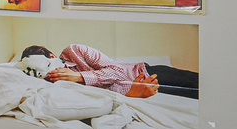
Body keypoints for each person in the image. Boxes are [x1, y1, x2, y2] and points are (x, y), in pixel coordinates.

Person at [20, 44, 198, 100]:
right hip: (142, 96)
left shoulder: (75, 52)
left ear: (51, 56)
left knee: (204, 85)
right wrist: (129, 94)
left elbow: (117, 71)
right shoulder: (58, 89)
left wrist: (80, 76)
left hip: (146, 73)